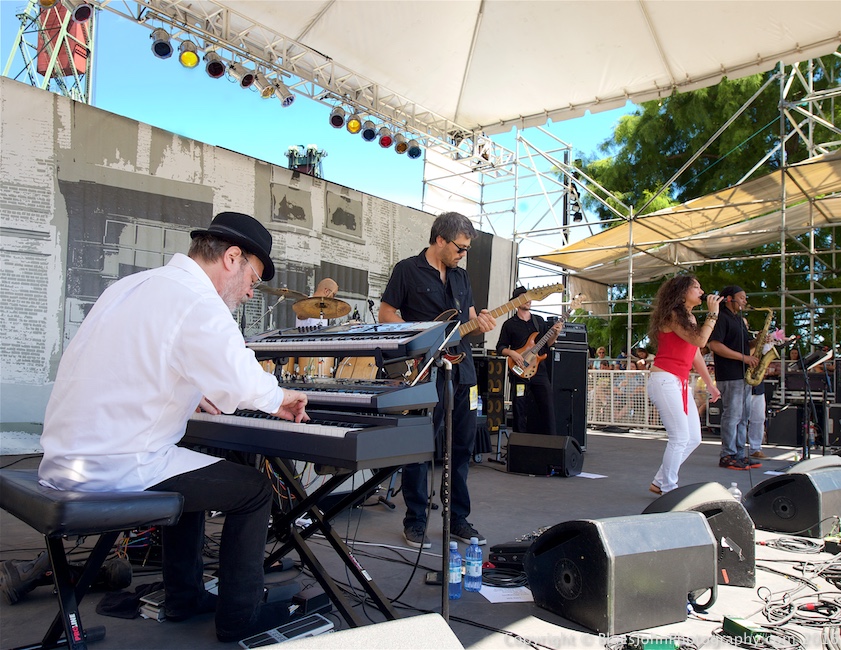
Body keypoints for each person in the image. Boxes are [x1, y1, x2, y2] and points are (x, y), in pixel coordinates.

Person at [38, 212, 311, 643]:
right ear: (232, 258)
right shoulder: (198, 299)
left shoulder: (131, 286)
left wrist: (186, 387)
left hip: (68, 458)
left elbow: (140, 361)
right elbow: (241, 381)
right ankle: (238, 619)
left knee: (194, 469)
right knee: (254, 491)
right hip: (117, 466)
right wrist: (282, 398)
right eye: (252, 280)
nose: (247, 293)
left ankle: (185, 596)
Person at [379, 212, 496, 549]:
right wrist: (416, 339)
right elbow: (387, 313)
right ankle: (415, 521)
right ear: (440, 240)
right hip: (424, 369)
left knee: (461, 447)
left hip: (462, 371)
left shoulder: (461, 278)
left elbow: (469, 318)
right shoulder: (406, 270)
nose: (463, 254)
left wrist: (483, 321)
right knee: (420, 446)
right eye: (460, 248)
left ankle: (457, 518)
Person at [647, 275, 721, 495]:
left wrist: (710, 384)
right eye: (696, 287)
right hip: (665, 379)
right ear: (682, 292)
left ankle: (660, 481)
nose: (701, 290)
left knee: (693, 438)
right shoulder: (672, 316)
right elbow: (701, 342)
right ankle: (669, 489)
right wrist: (713, 314)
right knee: (680, 436)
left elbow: (695, 353)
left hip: (679, 381)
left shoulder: (688, 318)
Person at [708, 285, 763, 471]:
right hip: (730, 375)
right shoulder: (721, 318)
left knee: (743, 415)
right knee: (732, 415)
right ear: (729, 299)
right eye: (742, 297)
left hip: (743, 374)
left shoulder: (739, 320)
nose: (745, 301)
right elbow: (714, 345)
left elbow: (745, 345)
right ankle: (727, 454)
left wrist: (759, 340)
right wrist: (744, 358)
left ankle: (739, 454)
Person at [496, 287, 563, 435]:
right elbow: (500, 347)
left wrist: (555, 334)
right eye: (524, 297)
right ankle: (519, 442)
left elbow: (548, 344)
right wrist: (513, 353)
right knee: (519, 407)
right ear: (516, 301)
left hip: (539, 371)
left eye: (530, 297)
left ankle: (551, 442)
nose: (528, 300)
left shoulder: (538, 321)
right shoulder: (509, 324)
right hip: (518, 370)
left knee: (547, 406)